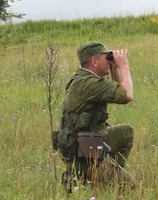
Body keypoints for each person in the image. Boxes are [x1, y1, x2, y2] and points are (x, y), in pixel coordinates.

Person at [53, 41, 134, 171]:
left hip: (89, 144)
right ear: (94, 62)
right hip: (83, 155)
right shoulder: (89, 84)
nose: (109, 61)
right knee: (131, 188)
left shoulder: (83, 79)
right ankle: (99, 174)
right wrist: (124, 66)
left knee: (126, 132)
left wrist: (113, 68)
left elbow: (118, 92)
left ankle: (109, 172)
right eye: (107, 58)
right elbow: (127, 96)